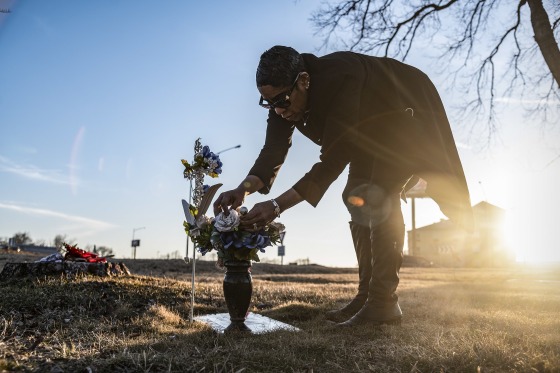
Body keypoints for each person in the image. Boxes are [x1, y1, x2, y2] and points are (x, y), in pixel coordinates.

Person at [213, 45, 473, 327]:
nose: (277, 110)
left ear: (304, 80)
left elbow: (332, 162)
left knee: (381, 194)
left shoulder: (340, 77)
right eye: (268, 103)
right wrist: (243, 189)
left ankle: (383, 303)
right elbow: (273, 151)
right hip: (368, 129)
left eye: (282, 101)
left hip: (405, 109)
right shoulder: (282, 98)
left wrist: (277, 206)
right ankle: (366, 296)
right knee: (354, 196)